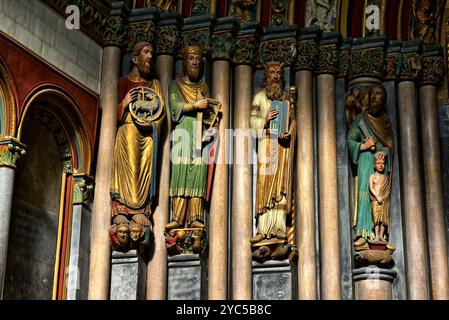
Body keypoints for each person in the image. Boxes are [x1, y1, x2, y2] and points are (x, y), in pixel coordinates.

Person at [109, 41, 165, 231]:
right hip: (127, 130)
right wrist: (124, 103)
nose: (150, 57)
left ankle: (141, 209)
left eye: (152, 53)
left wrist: (152, 124)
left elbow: (161, 113)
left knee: (143, 171)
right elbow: (113, 116)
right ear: (134, 58)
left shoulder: (154, 84)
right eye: (146, 52)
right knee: (129, 168)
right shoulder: (123, 82)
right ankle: (121, 211)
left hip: (147, 135)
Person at [165, 45, 218, 230]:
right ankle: (177, 217)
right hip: (182, 134)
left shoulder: (204, 88)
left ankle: (196, 217)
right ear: (184, 62)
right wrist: (196, 105)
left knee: (198, 173)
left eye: (198, 59)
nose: (195, 62)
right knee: (179, 173)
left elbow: (212, 116)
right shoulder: (175, 85)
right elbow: (174, 108)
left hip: (199, 137)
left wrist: (212, 129)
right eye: (191, 58)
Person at [249, 62, 296, 244]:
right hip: (267, 144)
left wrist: (290, 132)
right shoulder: (259, 97)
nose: (275, 76)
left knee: (280, 185)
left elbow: (293, 121)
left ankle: (279, 227)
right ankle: (262, 227)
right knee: (264, 183)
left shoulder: (286, 99)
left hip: (282, 147)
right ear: (266, 77)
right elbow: (251, 121)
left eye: (278, 73)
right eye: (272, 73)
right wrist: (265, 119)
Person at [347, 84, 393, 242]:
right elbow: (350, 139)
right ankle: (363, 231)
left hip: (380, 165)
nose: (374, 97)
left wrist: (385, 152)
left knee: (379, 198)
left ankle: (380, 234)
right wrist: (362, 146)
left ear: (384, 99)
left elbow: (389, 145)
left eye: (378, 94)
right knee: (365, 194)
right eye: (372, 94)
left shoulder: (385, 121)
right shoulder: (361, 119)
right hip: (366, 160)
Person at [369, 152, 389, 242]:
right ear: (374, 165)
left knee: (383, 219)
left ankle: (381, 235)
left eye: (383, 164)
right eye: (378, 163)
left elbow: (387, 189)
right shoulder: (373, 176)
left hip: (384, 200)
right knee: (376, 219)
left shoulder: (385, 177)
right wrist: (377, 197)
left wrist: (383, 197)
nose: (381, 165)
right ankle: (376, 236)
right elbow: (371, 187)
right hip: (376, 200)